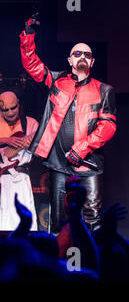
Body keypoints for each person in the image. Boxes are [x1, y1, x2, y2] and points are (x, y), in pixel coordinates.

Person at [19, 15, 117, 233]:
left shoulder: (104, 90)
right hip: (59, 164)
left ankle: (93, 264)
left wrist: (82, 149)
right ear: (70, 60)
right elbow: (32, 63)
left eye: (87, 54)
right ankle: (59, 266)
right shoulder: (55, 81)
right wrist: (28, 34)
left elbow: (108, 126)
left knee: (92, 218)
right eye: (77, 53)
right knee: (58, 219)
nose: (82, 56)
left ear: (92, 62)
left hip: (89, 164)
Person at [0, 91, 38, 231]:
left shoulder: (31, 123)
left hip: (21, 177)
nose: (10, 112)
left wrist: (31, 144)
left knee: (23, 220)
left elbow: (41, 151)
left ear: (18, 104)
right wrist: (6, 140)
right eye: (5, 110)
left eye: (13, 108)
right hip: (1, 180)